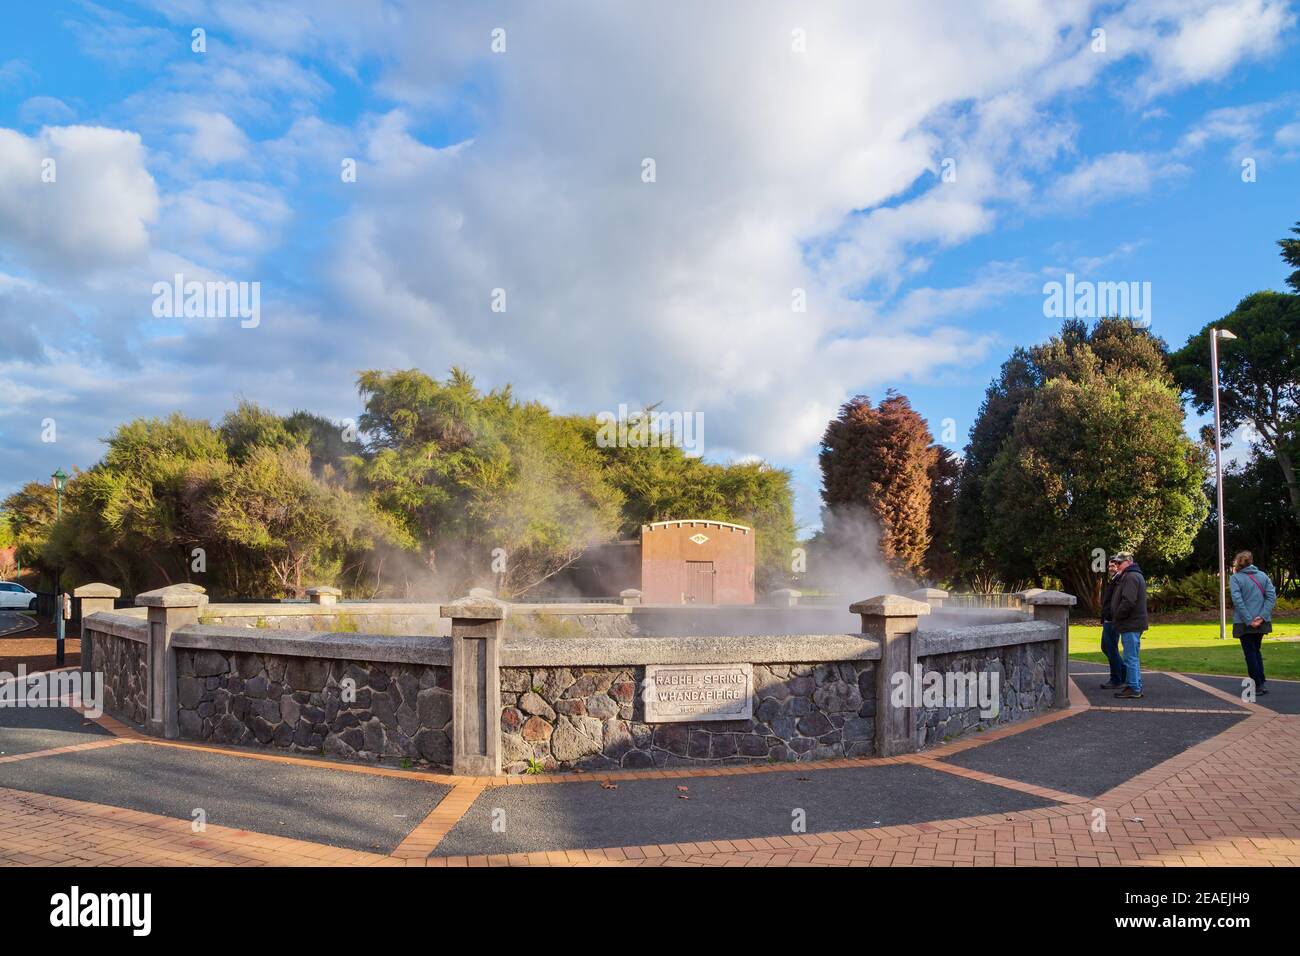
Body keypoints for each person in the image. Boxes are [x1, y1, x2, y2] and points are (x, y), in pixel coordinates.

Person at [1229, 550, 1276, 696]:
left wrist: (1249, 620)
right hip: (1262, 622)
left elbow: (1238, 601)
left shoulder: (1236, 578)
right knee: (1256, 650)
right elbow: (1271, 597)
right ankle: (1261, 681)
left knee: (1250, 653)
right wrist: (1261, 617)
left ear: (1238, 562)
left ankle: (1258, 683)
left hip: (1244, 622)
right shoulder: (1263, 576)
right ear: (1251, 561)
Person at [1109, 552, 1148, 698]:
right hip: (1134, 623)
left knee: (1130, 657)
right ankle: (1135, 685)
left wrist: (1118, 616)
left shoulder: (1131, 576)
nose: (1116, 566)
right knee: (1133, 657)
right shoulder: (1133, 575)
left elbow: (1128, 601)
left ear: (1128, 562)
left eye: (1119, 563)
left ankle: (1134, 688)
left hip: (1130, 623)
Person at [1099, 556, 1125, 689]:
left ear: (1119, 566)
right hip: (1108, 620)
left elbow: (1117, 601)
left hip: (1113, 620)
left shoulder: (1120, 580)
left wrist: (1112, 616)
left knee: (1111, 648)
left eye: (1113, 566)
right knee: (1106, 647)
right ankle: (1123, 672)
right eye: (1109, 566)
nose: (1110, 568)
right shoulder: (1114, 580)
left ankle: (1117, 678)